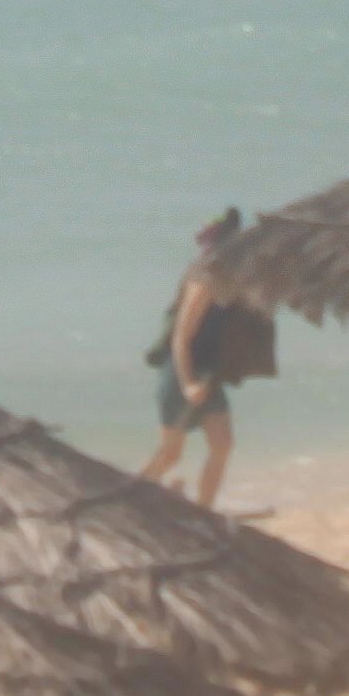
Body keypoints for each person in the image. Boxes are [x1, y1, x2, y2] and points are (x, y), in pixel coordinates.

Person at [134, 212, 275, 501]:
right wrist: (188, 384)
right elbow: (181, 337)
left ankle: (204, 510)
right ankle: (132, 498)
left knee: (222, 444)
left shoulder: (232, 281)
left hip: (208, 372)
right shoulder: (204, 279)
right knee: (170, 455)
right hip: (180, 371)